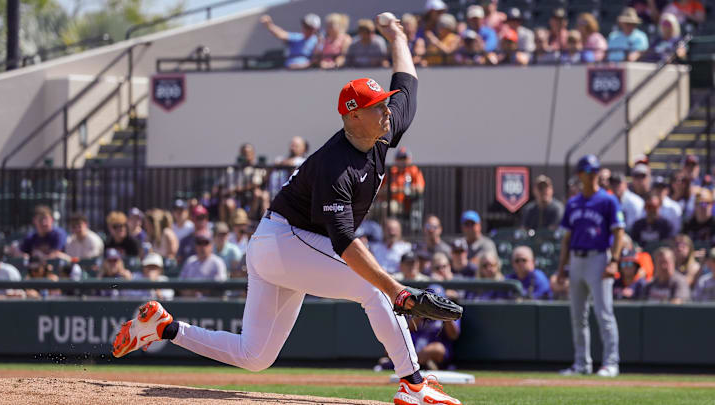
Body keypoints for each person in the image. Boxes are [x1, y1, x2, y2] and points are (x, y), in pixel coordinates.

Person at [112, 16, 462, 405]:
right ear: (351, 117)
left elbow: (407, 84)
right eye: (376, 106)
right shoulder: (336, 165)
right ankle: (413, 384)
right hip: (286, 240)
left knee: (255, 356)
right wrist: (395, 290)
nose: (386, 111)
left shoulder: (380, 130)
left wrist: (396, 35)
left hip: (285, 245)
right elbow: (344, 242)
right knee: (373, 287)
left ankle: (164, 328)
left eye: (383, 104)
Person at [556, 154, 625, 378]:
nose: (593, 175)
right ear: (580, 175)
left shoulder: (608, 200)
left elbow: (619, 233)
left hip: (599, 258)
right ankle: (581, 364)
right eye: (589, 171)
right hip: (576, 258)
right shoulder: (573, 202)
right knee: (578, 315)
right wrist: (561, 269)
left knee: (604, 313)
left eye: (595, 171)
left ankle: (611, 363)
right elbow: (566, 239)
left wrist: (614, 261)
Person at [385, 147, 425, 227]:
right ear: (396, 160)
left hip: (409, 203)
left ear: (409, 159)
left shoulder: (414, 170)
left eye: (404, 158)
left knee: (389, 207)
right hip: (393, 201)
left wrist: (398, 190)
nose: (402, 161)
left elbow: (420, 189)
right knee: (382, 207)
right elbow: (381, 190)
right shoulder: (391, 171)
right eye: (400, 158)